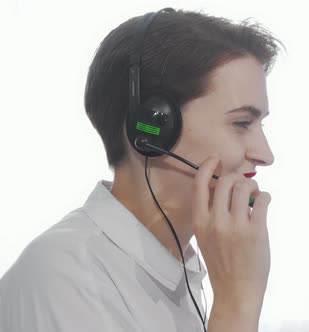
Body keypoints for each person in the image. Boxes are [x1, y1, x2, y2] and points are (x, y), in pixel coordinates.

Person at [0, 7, 282, 332]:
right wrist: (237, 307)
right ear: (153, 126)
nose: (265, 154)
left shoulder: (176, 275)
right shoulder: (64, 278)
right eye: (241, 123)